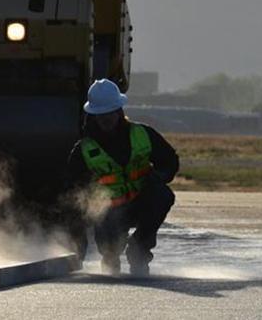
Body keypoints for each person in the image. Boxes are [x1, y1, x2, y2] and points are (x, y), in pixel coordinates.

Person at [66, 78, 179, 277]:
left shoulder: (143, 134)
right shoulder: (83, 151)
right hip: (108, 214)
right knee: (110, 251)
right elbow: (75, 198)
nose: (106, 119)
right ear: (93, 116)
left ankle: (139, 251)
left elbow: (170, 161)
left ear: (119, 111)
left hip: (141, 204)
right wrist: (78, 244)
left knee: (163, 195)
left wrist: (159, 177)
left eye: (110, 113)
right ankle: (110, 258)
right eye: (101, 115)